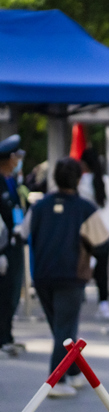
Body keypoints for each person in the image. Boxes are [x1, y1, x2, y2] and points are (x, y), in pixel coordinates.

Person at [22, 158, 109, 397]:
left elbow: (23, 233)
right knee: (65, 328)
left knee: (59, 326)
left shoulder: (39, 206)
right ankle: (57, 380)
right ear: (79, 180)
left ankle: (72, 371)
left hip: (42, 274)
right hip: (72, 274)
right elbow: (102, 243)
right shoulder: (85, 208)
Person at [78, 147, 109, 320]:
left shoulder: (81, 183)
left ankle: (79, 298)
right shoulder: (107, 182)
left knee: (81, 267)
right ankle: (104, 304)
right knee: (102, 271)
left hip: (85, 235)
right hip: (104, 233)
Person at [0, 135, 27, 358]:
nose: (18, 161)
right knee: (4, 293)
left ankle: (7, 335)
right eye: (16, 157)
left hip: (15, 243)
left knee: (12, 292)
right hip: (3, 246)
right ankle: (2, 338)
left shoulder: (12, 180)